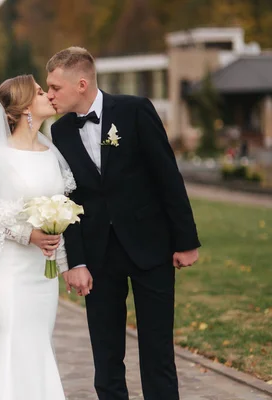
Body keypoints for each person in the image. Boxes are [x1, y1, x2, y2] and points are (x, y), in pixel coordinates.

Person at [47, 46, 200, 400]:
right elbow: (68, 201)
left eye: (55, 87)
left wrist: (185, 240)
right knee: (106, 355)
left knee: (157, 350)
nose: (50, 94)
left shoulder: (134, 111)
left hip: (152, 248)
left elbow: (167, 177)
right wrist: (77, 262)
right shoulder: (60, 133)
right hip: (99, 259)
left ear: (81, 84)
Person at [0, 75, 75, 400]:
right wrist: (27, 234)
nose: (48, 96)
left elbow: (60, 213)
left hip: (42, 275)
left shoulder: (51, 153)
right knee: (7, 341)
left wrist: (64, 264)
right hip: (6, 272)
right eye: (40, 92)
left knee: (36, 345)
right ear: (24, 108)